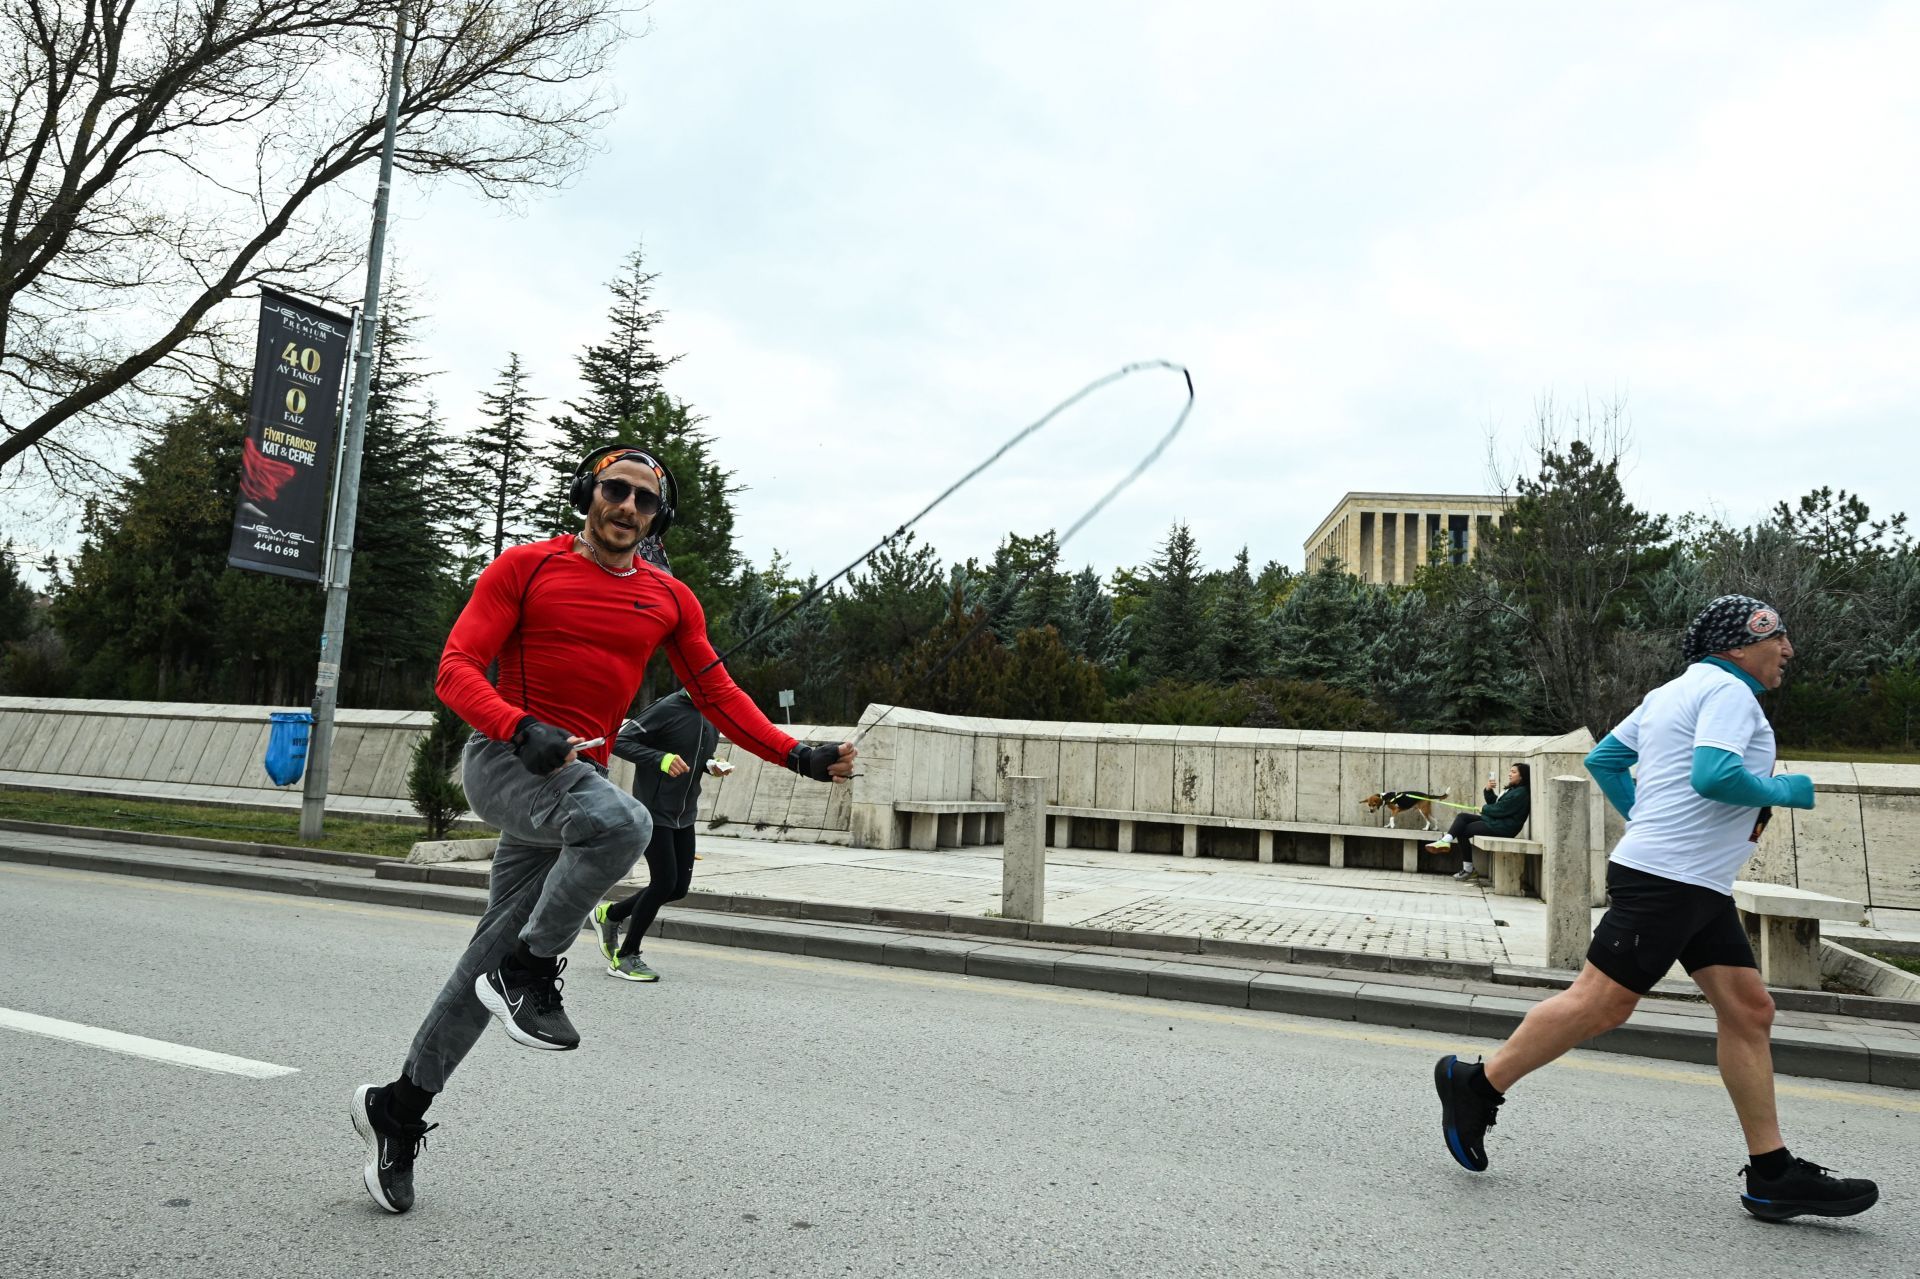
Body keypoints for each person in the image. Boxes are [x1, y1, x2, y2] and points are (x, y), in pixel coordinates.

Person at [351, 444, 855, 1215]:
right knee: (626, 821)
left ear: (657, 516)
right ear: (588, 494)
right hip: (507, 759)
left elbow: (715, 692)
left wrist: (799, 754)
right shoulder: (525, 567)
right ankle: (529, 971)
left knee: (484, 956)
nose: (626, 507)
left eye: (643, 500)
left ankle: (399, 1105)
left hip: (570, 778)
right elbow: (455, 668)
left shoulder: (670, 598)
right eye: (614, 491)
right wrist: (518, 726)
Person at [1432, 594, 1878, 1222]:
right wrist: (1786, 790)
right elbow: (1715, 776)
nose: (1788, 650)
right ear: (1740, 643)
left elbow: (1605, 760)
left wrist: (1649, 817)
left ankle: (1772, 1174)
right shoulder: (1730, 694)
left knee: (1750, 1010)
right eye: (1778, 637)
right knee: (1602, 1002)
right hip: (1671, 878)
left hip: (1693, 880)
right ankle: (1476, 1085)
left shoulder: (1674, 691)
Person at [591, 689, 729, 981]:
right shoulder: (666, 708)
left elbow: (696, 752)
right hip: (653, 810)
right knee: (664, 882)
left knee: (678, 888)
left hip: (683, 813)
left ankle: (612, 914)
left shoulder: (711, 711)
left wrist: (710, 764)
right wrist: (661, 758)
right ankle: (625, 957)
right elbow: (620, 741)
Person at [1425, 764, 1531, 880]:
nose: (1510, 774)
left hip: (1503, 827)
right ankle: (1446, 841)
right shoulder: (1514, 790)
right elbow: (1496, 804)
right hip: (1496, 821)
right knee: (1462, 817)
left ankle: (1467, 869)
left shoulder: (1521, 793)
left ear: (1522, 776)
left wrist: (1484, 809)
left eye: (1514, 772)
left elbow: (1502, 809)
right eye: (1510, 771)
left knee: (1462, 831)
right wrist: (1488, 790)